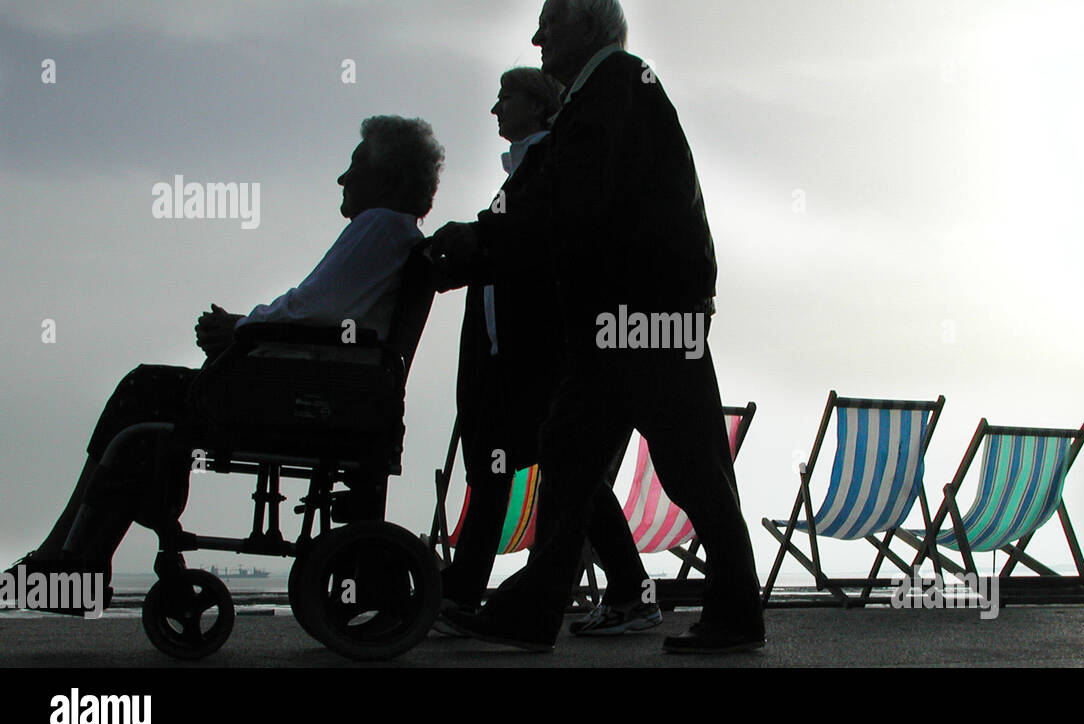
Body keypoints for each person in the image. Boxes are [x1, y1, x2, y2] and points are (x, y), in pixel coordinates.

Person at [3, 116, 446, 612]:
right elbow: (322, 318)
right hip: (327, 388)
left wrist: (239, 328)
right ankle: (70, 557)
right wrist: (243, 330)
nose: (342, 179)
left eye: (355, 167)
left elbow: (314, 314)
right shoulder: (390, 233)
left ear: (387, 178)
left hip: (310, 397)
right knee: (142, 412)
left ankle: (69, 559)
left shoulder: (380, 226)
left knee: (142, 394)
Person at [431, 0, 766, 653]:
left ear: (585, 25)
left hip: (639, 319)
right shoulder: (613, 94)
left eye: (548, 24)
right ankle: (535, 610)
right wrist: (481, 245)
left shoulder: (613, 91)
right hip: (636, 319)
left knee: (678, 462)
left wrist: (478, 241)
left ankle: (730, 613)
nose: (536, 37)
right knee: (576, 451)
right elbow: (566, 203)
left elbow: (566, 202)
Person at [437, 67, 661, 636]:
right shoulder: (523, 170)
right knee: (528, 469)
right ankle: (467, 595)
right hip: (509, 353)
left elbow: (528, 250)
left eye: (505, 98)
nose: (495, 109)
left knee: (556, 469)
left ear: (537, 106)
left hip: (530, 354)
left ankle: (472, 597)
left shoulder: (543, 166)